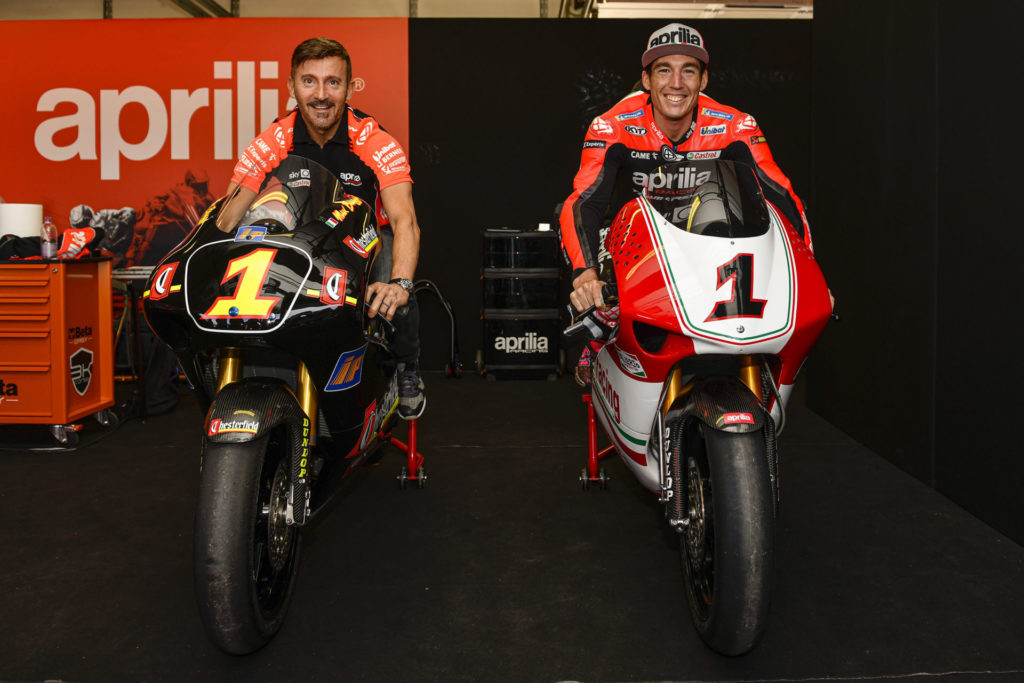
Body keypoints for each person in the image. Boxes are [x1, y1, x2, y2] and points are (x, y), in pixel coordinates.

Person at [559, 22, 814, 383]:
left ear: (703, 80)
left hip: (699, 235)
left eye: (688, 71)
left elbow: (781, 193)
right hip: (628, 238)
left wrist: (809, 271)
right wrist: (585, 274)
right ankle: (598, 347)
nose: (676, 83)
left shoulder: (735, 124)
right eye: (664, 70)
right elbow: (582, 202)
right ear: (646, 80)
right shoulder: (611, 126)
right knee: (594, 282)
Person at [217, 37, 425, 420]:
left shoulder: (374, 139)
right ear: (291, 87)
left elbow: (404, 219)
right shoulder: (273, 139)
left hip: (365, 247)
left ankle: (406, 366)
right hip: (300, 247)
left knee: (398, 276)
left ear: (349, 86)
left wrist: (400, 284)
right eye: (309, 81)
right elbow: (226, 220)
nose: (321, 94)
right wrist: (247, 183)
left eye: (333, 82)